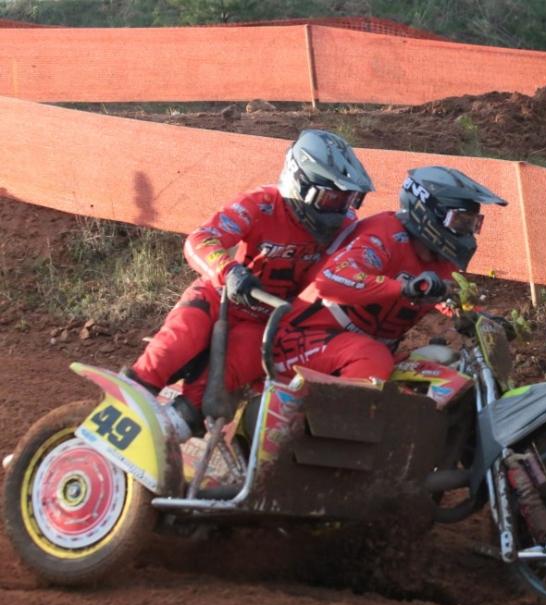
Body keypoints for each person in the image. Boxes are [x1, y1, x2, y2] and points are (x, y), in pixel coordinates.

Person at [123, 130, 375, 437]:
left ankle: (170, 437)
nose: (340, 210)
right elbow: (200, 239)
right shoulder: (263, 203)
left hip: (267, 324)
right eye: (331, 198)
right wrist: (228, 271)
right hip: (219, 297)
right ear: (301, 184)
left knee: (205, 400)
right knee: (170, 351)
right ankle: (118, 413)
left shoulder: (346, 227)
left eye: (348, 199)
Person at [215, 165, 507, 391]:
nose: (467, 232)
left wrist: (481, 317)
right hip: (302, 341)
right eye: (461, 222)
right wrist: (403, 287)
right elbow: (331, 281)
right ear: (428, 211)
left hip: (357, 352)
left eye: (473, 224)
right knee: (372, 357)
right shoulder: (384, 236)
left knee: (443, 366)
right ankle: (338, 439)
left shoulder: (440, 261)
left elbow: (446, 296)